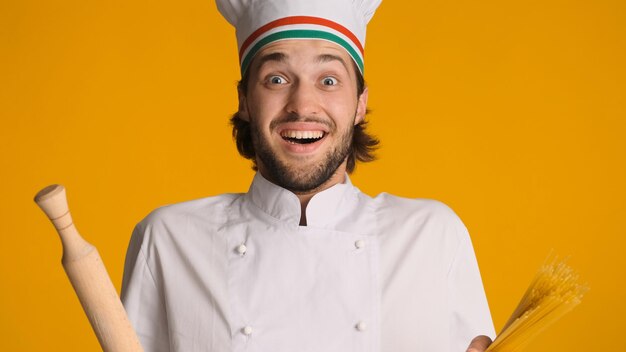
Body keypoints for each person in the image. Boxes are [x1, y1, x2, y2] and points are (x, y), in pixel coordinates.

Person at [120, 0, 496, 351]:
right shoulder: (170, 240)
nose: (302, 105)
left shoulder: (431, 236)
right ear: (245, 101)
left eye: (328, 80)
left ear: (360, 103)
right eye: (277, 79)